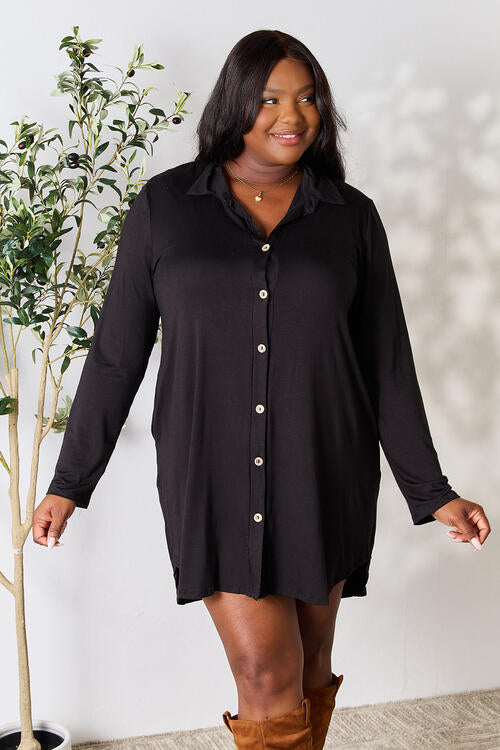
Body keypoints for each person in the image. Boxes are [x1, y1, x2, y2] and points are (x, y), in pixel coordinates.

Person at [33, 29, 490, 750]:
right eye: (271, 98)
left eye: (307, 98)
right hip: (212, 474)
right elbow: (117, 356)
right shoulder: (166, 207)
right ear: (236, 103)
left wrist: (433, 493)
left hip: (324, 467)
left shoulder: (350, 216)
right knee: (262, 670)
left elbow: (387, 364)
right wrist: (70, 482)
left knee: (309, 665)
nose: (292, 115)